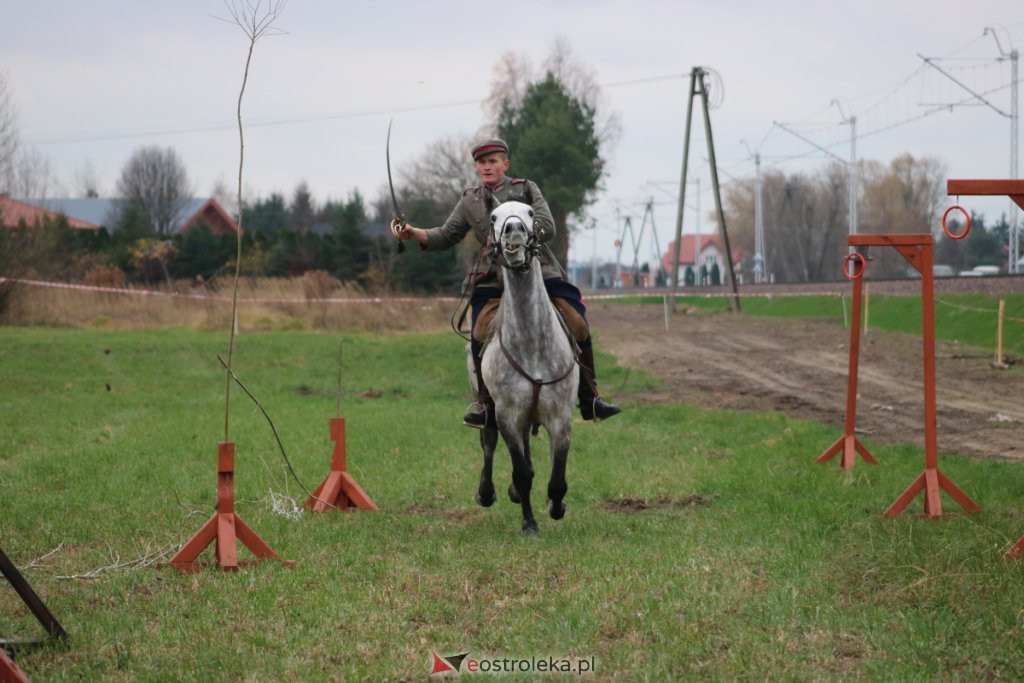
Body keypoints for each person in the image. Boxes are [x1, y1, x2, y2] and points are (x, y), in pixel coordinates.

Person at [398, 138, 621, 428]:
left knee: (577, 323)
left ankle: (590, 397)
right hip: (493, 276)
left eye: (493, 162)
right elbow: (445, 235)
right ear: (476, 166)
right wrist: (413, 232)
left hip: (538, 270)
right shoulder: (470, 200)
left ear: (505, 164)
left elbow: (549, 227)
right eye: (482, 162)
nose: (487, 167)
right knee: (479, 332)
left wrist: (519, 234)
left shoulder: (525, 189)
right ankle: (485, 404)